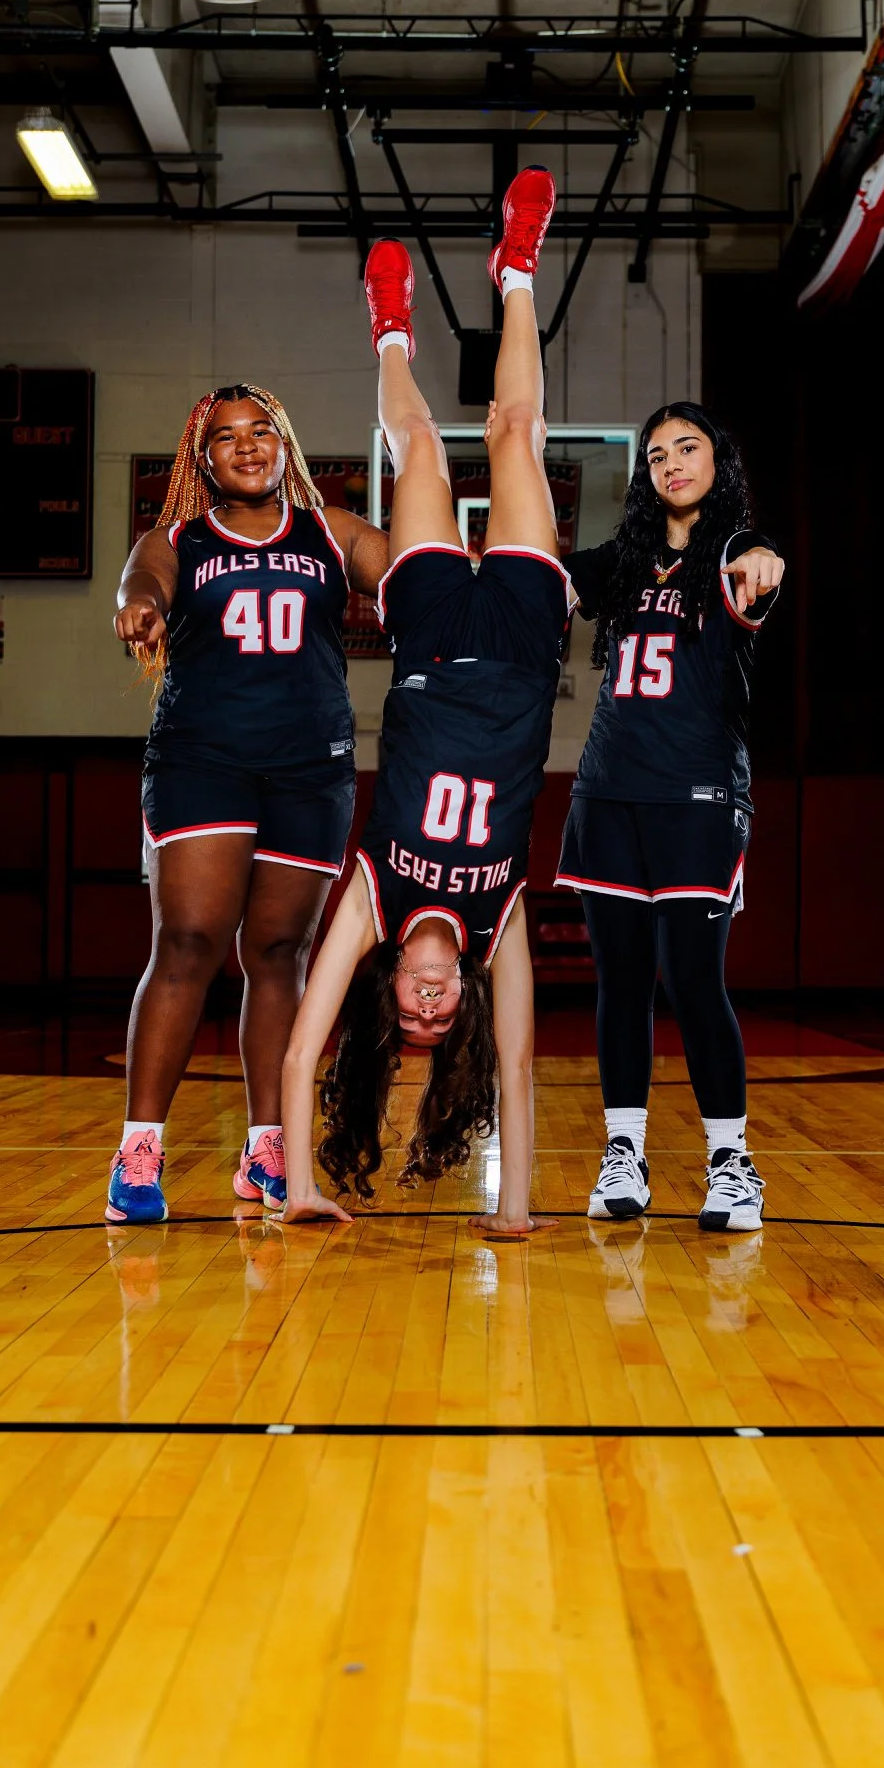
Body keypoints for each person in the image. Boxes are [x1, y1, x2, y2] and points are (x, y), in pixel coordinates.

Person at [278, 168, 571, 1240]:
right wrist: (512, 1211)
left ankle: (390, 329)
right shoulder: (496, 924)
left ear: (392, 983)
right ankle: (519, 270)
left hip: (435, 640)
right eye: (437, 1019)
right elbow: (525, 1060)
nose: (430, 1005)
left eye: (410, 1007)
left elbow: (303, 1046)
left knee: (431, 450)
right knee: (514, 433)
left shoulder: (372, 899)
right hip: (526, 648)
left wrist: (303, 1182)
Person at [106, 383, 388, 1223]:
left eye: (260, 431)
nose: (247, 446)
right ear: (204, 460)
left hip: (310, 767)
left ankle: (270, 1147)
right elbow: (141, 583)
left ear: (284, 442)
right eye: (226, 437)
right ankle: (139, 1152)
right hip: (205, 762)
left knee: (277, 952)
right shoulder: (179, 538)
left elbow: (413, 573)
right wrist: (141, 609)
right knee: (188, 941)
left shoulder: (331, 531)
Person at [555, 402, 785, 1231]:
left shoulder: (731, 553)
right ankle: (625, 1154)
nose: (671, 463)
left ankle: (732, 1164)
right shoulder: (625, 561)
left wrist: (764, 561)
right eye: (656, 455)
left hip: (697, 795)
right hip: (609, 790)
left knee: (693, 980)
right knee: (620, 983)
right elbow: (543, 569)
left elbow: (761, 561)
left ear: (718, 459)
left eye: (688, 448)